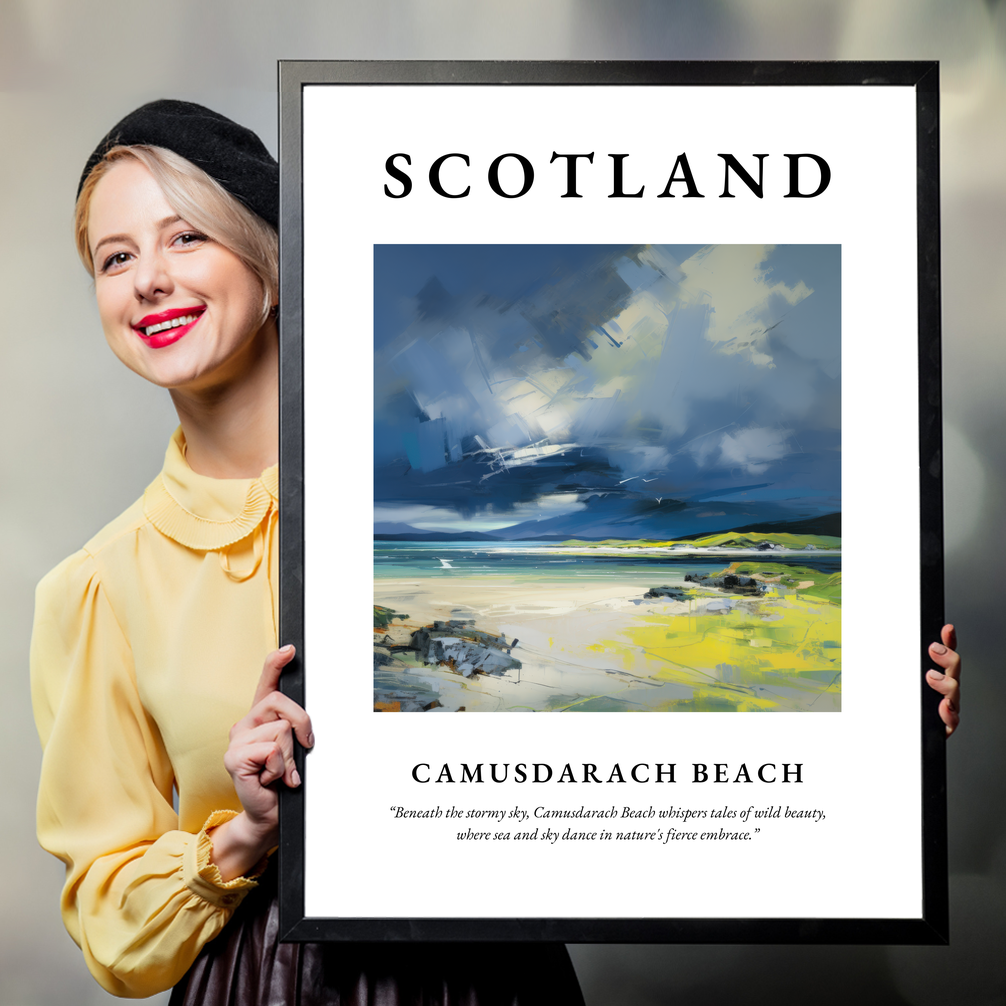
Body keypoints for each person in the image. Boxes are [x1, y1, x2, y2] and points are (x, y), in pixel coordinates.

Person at [30, 100, 585, 1004]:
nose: (148, 281)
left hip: (493, 973)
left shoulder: (441, 499)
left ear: (274, 264)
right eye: (116, 257)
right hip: (263, 981)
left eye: (186, 239)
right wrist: (245, 832)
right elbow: (110, 924)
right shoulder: (97, 587)